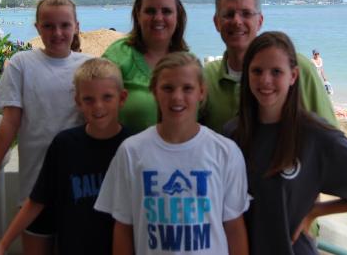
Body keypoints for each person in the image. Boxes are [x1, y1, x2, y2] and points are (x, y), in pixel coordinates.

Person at [230, 32, 347, 254]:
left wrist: (315, 211)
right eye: (257, 71)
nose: (265, 80)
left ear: (293, 76)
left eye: (276, 71)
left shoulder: (314, 134)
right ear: (247, 74)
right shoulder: (232, 134)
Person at [95, 52, 250, 254]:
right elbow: (124, 227)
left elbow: (234, 228)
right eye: (168, 88)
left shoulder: (225, 152)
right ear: (154, 91)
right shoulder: (131, 151)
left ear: (201, 92)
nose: (177, 97)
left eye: (187, 88)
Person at [0, 0, 91, 254]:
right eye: (48, 26)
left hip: (78, 187)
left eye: (65, 25)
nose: (57, 33)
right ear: (37, 28)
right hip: (33, 187)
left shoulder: (88, 67)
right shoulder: (21, 64)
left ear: (76, 27)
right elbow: (9, 124)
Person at [0, 58, 130, 255]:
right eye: (89, 99)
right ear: (78, 102)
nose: (98, 106)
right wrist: (3, 244)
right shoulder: (65, 145)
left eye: (107, 97)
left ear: (122, 98)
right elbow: (37, 200)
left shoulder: (133, 147)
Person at [201, 0, 337, 133]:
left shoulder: (299, 67)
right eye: (228, 14)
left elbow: (331, 135)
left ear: (259, 21)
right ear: (217, 22)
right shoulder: (206, 77)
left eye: (246, 14)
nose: (237, 21)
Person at [102, 0, 188, 132]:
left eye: (166, 11)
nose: (158, 18)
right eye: (150, 11)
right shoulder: (118, 55)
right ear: (138, 15)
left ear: (177, 16)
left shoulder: (188, 61)